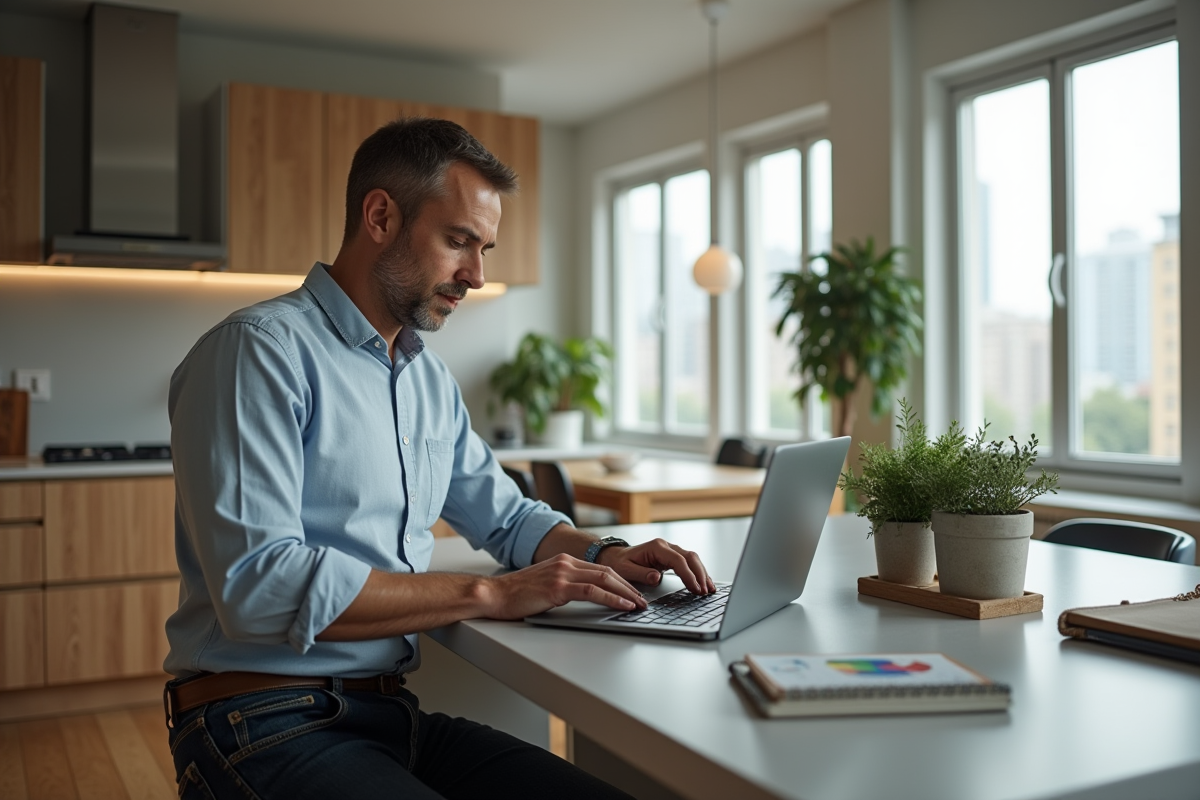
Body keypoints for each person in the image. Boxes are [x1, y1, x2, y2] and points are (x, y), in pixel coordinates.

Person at [163, 117, 715, 800]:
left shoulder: (425, 380)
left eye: (483, 248)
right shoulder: (259, 353)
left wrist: (604, 553)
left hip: (391, 716)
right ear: (380, 215)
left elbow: (509, 520)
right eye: (459, 241)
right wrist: (491, 592)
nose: (476, 275)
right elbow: (261, 588)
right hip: (260, 720)